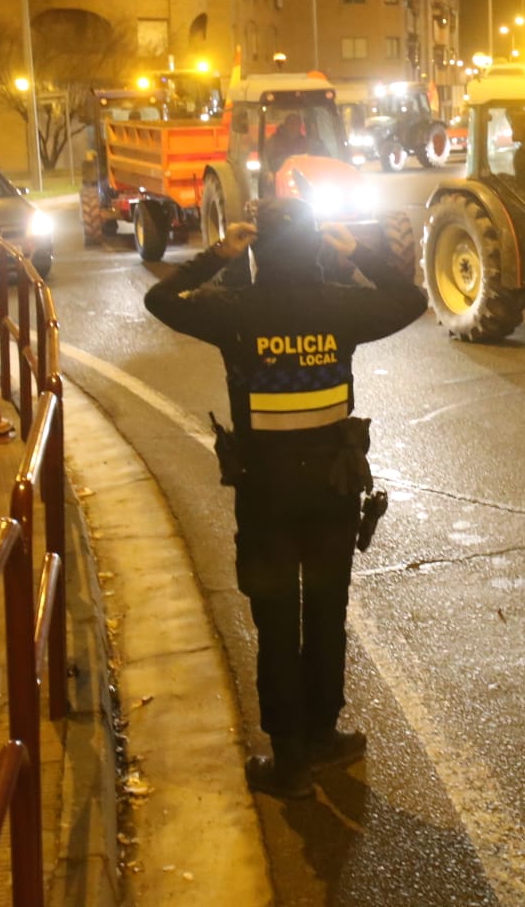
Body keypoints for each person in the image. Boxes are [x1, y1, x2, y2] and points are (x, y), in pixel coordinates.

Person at [145, 198, 426, 797]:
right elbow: (411, 300)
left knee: (276, 620)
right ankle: (323, 733)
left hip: (267, 493)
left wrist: (218, 253)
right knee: (326, 611)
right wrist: (360, 251)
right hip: (333, 488)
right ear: (317, 245)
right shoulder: (340, 305)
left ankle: (291, 761)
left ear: (258, 247)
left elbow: (159, 301)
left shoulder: (236, 308)